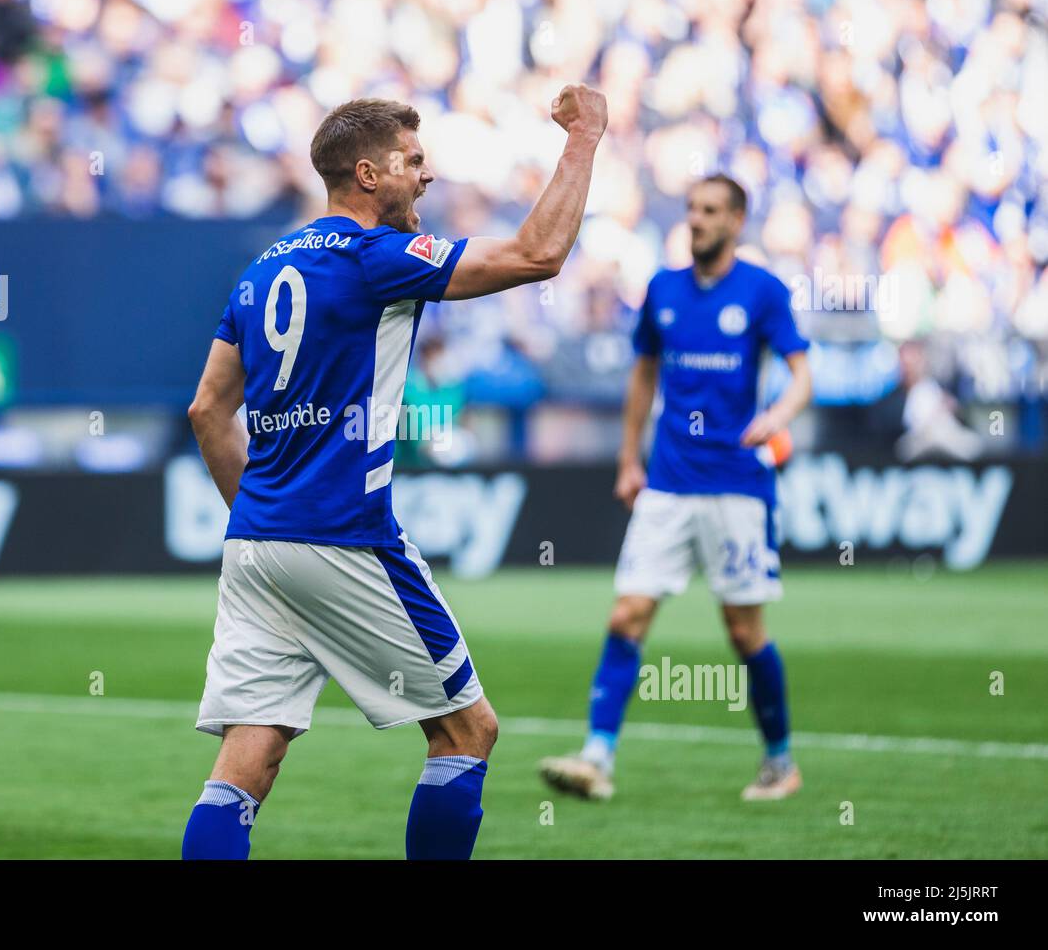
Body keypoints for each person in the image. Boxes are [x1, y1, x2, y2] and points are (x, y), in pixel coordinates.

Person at [183, 85, 608, 859]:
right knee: (465, 730)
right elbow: (536, 255)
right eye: (415, 162)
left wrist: (259, 510)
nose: (428, 177)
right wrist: (584, 139)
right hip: (344, 534)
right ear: (371, 174)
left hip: (254, 545)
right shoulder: (375, 257)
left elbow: (207, 410)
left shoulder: (260, 270)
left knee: (250, 754)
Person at [539, 175, 813, 802]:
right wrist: (628, 459)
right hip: (667, 481)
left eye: (710, 211)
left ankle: (779, 762)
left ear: (737, 221)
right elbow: (643, 375)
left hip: (736, 486)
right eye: (692, 210)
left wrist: (778, 416)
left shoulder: (763, 292)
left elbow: (803, 377)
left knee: (744, 631)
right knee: (627, 613)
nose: (696, 221)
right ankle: (597, 757)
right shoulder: (662, 290)